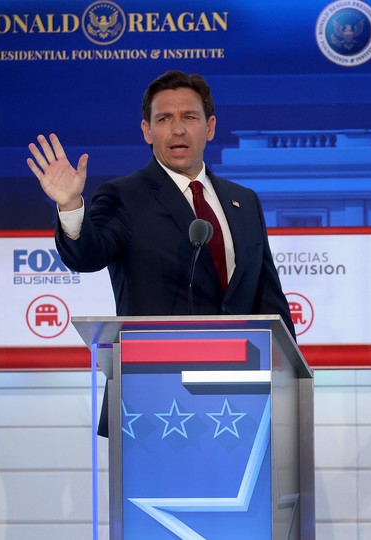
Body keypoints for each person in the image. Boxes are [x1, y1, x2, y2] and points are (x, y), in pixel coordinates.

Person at [27, 70, 295, 435]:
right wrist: (71, 206)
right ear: (147, 131)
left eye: (190, 117)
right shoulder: (124, 197)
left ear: (210, 127)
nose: (178, 129)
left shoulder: (243, 201)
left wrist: (289, 381)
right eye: (164, 119)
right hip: (153, 402)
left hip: (242, 399)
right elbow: (87, 255)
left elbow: (269, 298)